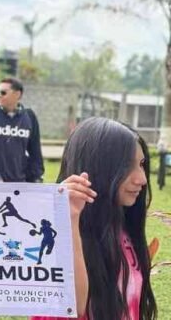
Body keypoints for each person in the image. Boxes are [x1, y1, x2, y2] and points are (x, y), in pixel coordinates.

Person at [32, 117, 156, 320]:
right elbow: (73, 306)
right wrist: (69, 219)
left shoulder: (123, 230)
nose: (141, 179)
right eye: (127, 165)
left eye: (142, 164)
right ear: (97, 168)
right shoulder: (56, 237)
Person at [0, 77, 44, 183]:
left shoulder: (29, 116)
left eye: (3, 92)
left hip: (18, 182)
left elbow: (35, 150)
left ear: (17, 94)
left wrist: (37, 176)